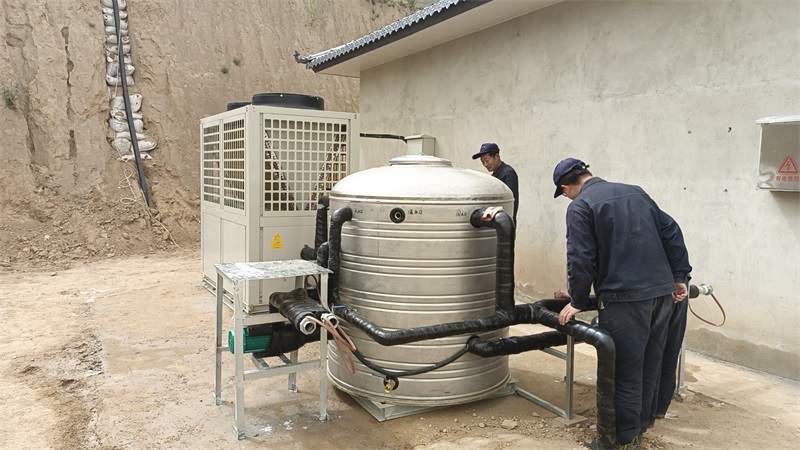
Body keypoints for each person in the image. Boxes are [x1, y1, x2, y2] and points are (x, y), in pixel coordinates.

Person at [552, 157, 691, 450]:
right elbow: (671, 230)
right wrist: (679, 277)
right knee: (649, 365)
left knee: (623, 372)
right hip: (661, 296)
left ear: (565, 188)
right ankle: (641, 426)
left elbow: (580, 256)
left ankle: (623, 440)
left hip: (625, 300)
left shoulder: (580, 206)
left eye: (564, 193)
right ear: (588, 173)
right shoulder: (635, 192)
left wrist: (577, 300)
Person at [472, 143, 519, 223]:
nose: (485, 164)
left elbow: (510, 203)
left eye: (487, 160)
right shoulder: (496, 174)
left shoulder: (507, 174)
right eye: (482, 161)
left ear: (497, 157)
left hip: (504, 223)